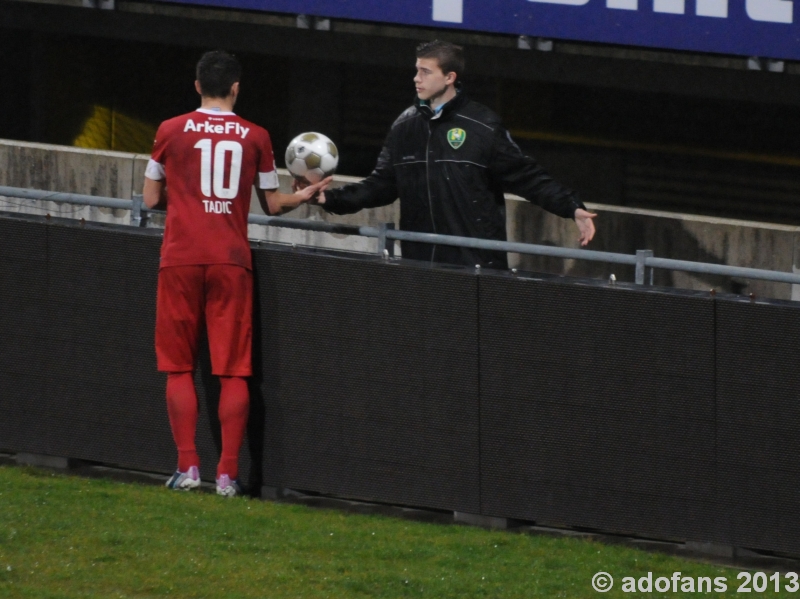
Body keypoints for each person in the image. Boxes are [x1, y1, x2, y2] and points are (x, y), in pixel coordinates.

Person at [142, 50, 328, 497]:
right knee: (233, 371)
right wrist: (304, 196)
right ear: (236, 87)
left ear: (197, 85)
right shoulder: (256, 136)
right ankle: (227, 476)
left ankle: (188, 468)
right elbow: (271, 204)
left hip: (181, 257)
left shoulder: (170, 129)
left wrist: (188, 200)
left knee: (178, 366)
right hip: (230, 260)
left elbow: (150, 200)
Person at [309, 40, 597, 269]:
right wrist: (331, 198)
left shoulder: (483, 126)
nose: (416, 78)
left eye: (425, 72)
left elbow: (526, 176)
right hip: (418, 264)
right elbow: (381, 185)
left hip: (475, 267)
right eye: (416, 70)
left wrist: (571, 207)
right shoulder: (404, 126)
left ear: (450, 77)